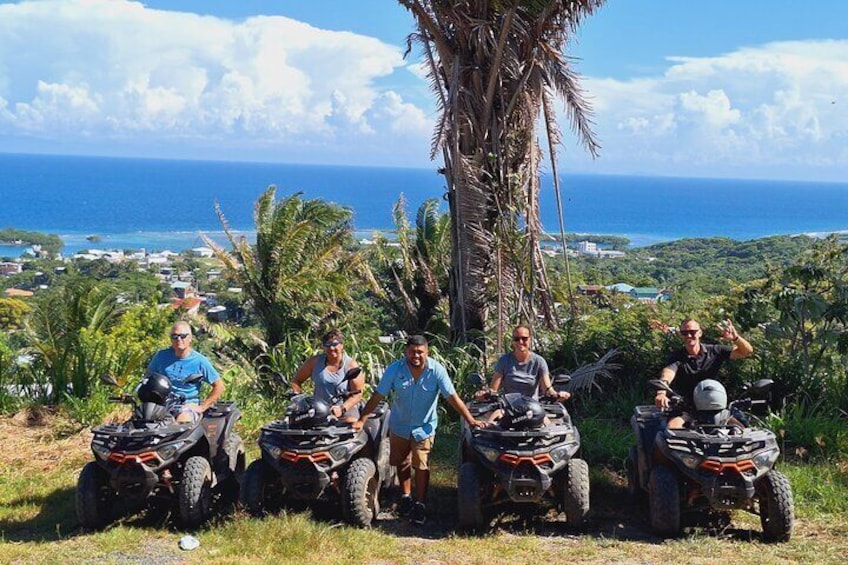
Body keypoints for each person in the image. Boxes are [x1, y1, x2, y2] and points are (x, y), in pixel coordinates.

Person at [353, 335, 486, 526]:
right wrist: (362, 419)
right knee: (401, 461)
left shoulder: (436, 371)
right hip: (399, 425)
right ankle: (406, 496)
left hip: (424, 426)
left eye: (420, 352)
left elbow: (452, 398)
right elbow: (378, 395)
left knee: (421, 464)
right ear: (406, 352)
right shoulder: (395, 369)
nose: (416, 356)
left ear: (427, 352)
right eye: (412, 352)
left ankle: (421, 503)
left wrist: (471, 420)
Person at [655, 318, 753, 429]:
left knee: (741, 430)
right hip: (688, 408)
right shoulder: (677, 357)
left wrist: (735, 338)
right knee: (672, 428)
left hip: (715, 407)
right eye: (684, 333)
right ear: (680, 335)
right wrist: (661, 393)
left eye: (692, 332)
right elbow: (668, 373)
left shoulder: (715, 351)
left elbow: (746, 352)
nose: (689, 336)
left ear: (700, 333)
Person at [147, 321, 224, 424]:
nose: (179, 339)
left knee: (181, 422)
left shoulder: (200, 361)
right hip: (162, 405)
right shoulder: (161, 356)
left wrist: (202, 407)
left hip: (186, 407)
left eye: (182, 336)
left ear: (190, 338)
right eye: (175, 336)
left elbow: (219, 386)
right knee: (140, 419)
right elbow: (147, 377)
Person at [478, 324, 571, 402]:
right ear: (513, 341)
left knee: (550, 422)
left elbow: (547, 389)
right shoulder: (504, 361)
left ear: (530, 339)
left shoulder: (539, 361)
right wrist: (484, 394)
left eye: (524, 338)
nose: (520, 342)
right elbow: (493, 389)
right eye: (517, 339)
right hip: (509, 409)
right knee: (490, 421)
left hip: (533, 408)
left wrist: (557, 395)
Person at [291, 329, 364, 421]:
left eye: (334, 344)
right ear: (323, 347)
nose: (331, 348)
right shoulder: (314, 362)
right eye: (327, 345)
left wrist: (342, 408)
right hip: (319, 410)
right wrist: (298, 399)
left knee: (351, 427)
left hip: (345, 409)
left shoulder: (351, 365)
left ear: (341, 345)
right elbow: (296, 381)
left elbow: (358, 393)